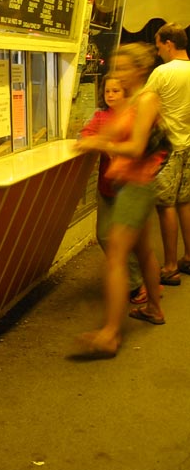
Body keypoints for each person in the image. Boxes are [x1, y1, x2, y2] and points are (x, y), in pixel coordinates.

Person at [74, 43, 167, 358]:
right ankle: (154, 308)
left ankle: (111, 333)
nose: (118, 74)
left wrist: (98, 142)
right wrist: (95, 139)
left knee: (115, 255)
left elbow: (137, 147)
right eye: (116, 68)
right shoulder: (130, 103)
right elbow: (106, 133)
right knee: (142, 251)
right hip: (129, 184)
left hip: (137, 186)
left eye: (124, 68)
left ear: (140, 69)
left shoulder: (147, 99)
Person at [79, 73, 148, 304]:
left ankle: (135, 283)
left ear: (126, 92)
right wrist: (98, 143)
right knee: (104, 235)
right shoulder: (101, 117)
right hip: (107, 186)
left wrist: (108, 144)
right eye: (107, 91)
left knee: (127, 240)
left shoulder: (135, 116)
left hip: (130, 186)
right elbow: (86, 135)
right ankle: (132, 279)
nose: (110, 95)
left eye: (115, 91)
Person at [144, 22, 190, 285]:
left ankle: (171, 265)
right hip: (188, 144)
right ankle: (188, 257)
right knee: (185, 202)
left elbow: (144, 107)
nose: (158, 51)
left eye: (159, 45)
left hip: (168, 148)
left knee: (166, 206)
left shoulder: (162, 73)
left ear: (169, 44)